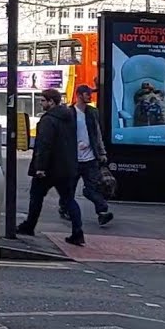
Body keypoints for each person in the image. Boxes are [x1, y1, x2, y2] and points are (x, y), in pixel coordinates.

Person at [16, 88, 85, 246]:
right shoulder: (69, 117)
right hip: (66, 167)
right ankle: (77, 232)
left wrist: (40, 167)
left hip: (49, 169)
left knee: (36, 197)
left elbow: (44, 145)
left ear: (51, 102)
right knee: (69, 200)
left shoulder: (48, 120)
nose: (41, 103)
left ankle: (29, 226)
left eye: (43, 100)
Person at [60, 84, 114, 226]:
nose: (90, 96)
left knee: (93, 187)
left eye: (90, 94)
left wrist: (101, 152)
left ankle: (102, 212)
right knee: (69, 186)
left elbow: (97, 134)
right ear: (78, 95)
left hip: (90, 158)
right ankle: (64, 208)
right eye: (87, 94)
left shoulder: (92, 112)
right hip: (73, 159)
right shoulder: (69, 113)